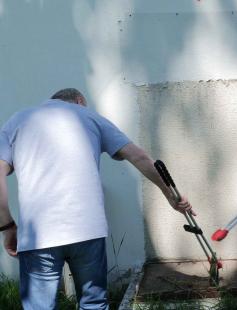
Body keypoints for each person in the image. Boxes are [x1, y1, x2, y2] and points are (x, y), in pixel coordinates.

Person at [0, 88, 194, 309]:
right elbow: (138, 156)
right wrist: (170, 196)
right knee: (94, 304)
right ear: (80, 101)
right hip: (87, 230)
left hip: (38, 236)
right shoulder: (90, 116)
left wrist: (7, 226)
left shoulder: (19, 120)